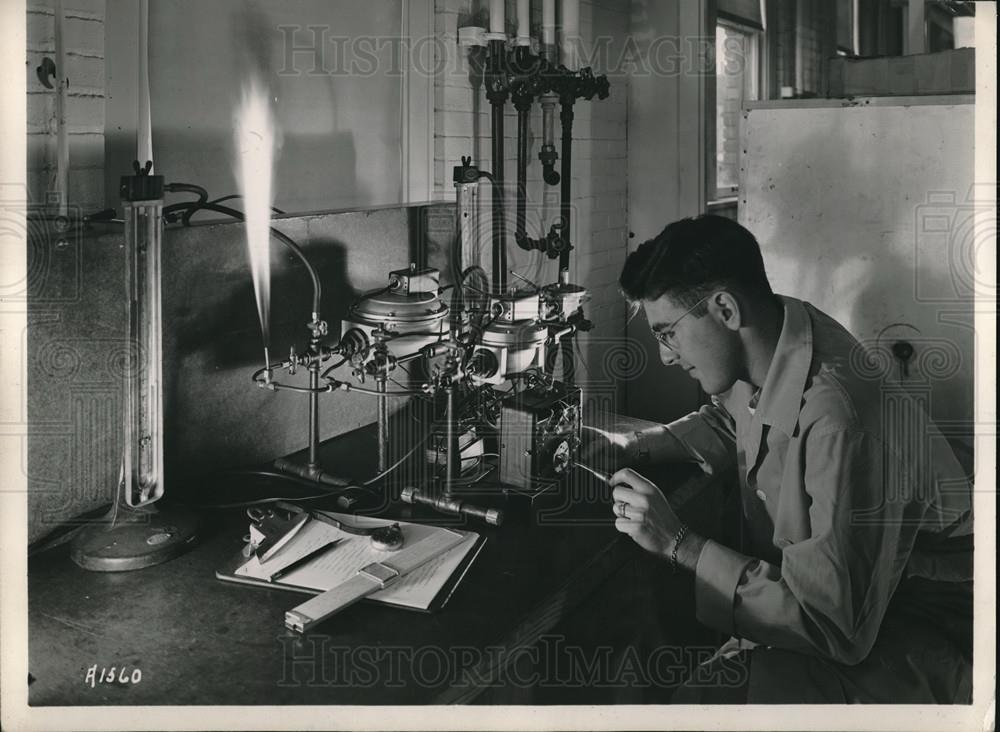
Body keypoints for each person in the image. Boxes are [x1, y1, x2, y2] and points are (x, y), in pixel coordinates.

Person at [608, 215, 973, 703]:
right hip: (865, 600)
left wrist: (681, 544)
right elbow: (738, 421)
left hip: (930, 623)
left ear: (724, 309)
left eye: (668, 332)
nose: (665, 356)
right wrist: (634, 444)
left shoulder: (840, 419)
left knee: (700, 700)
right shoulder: (780, 332)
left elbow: (833, 627)